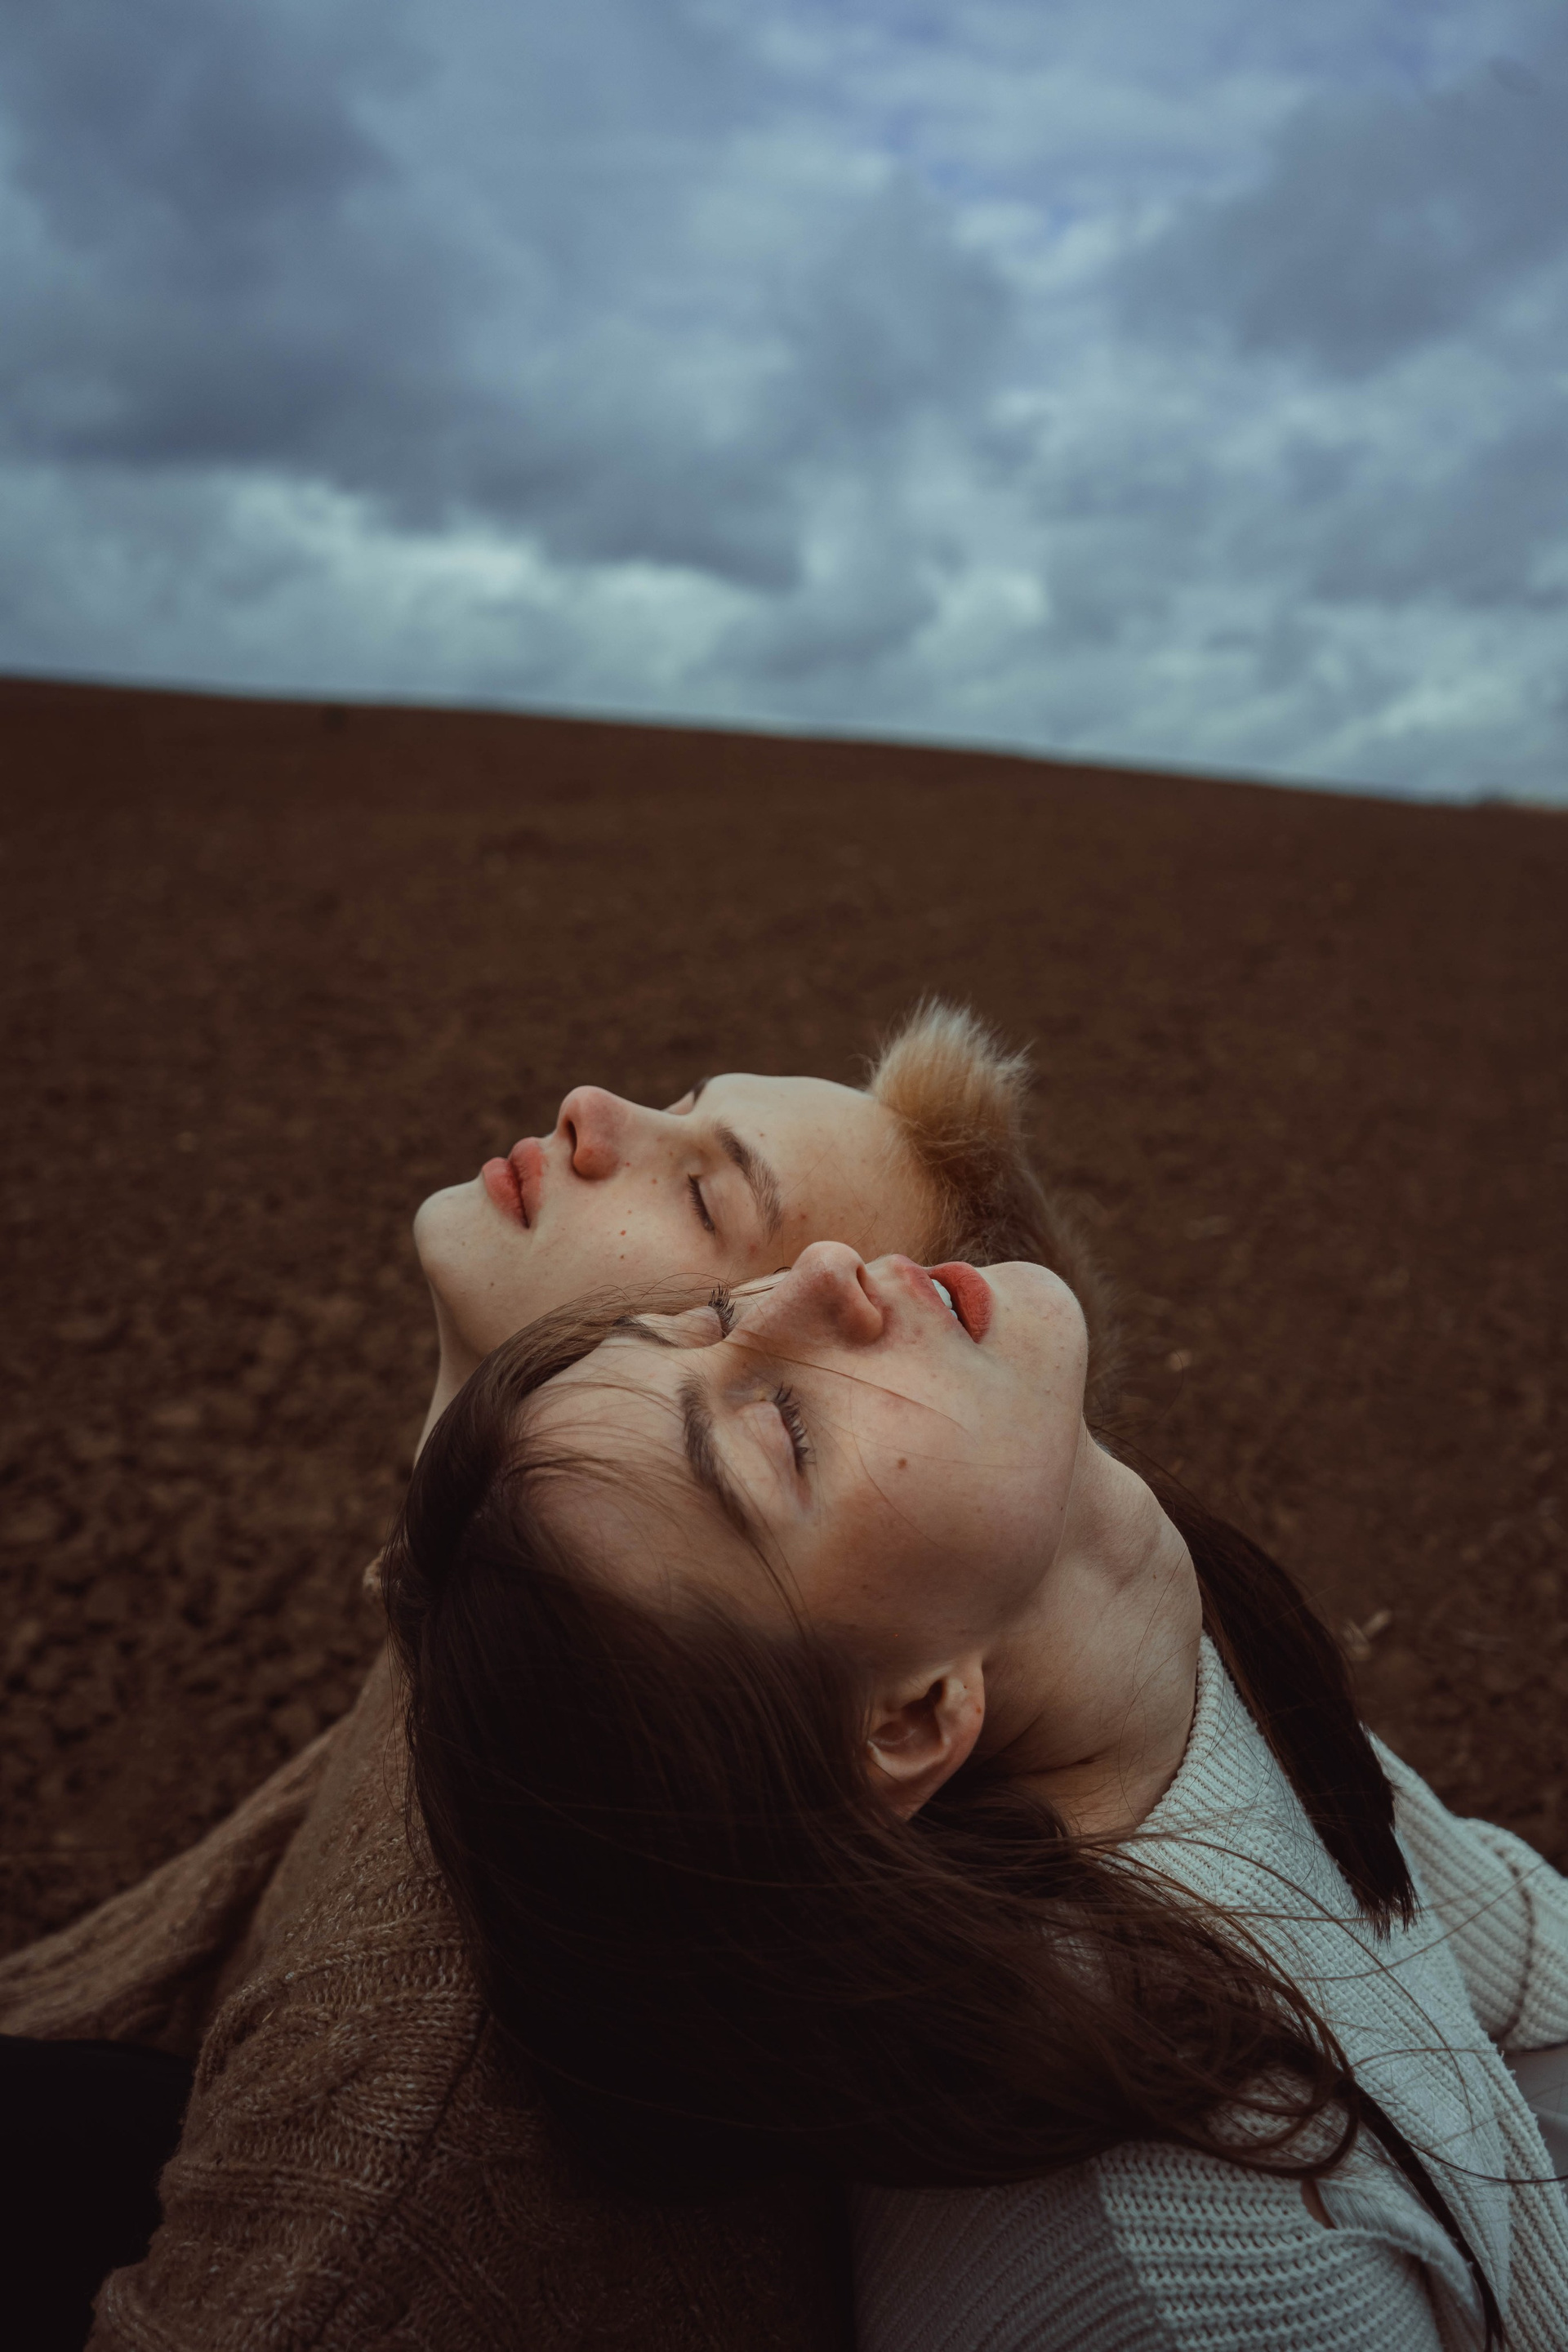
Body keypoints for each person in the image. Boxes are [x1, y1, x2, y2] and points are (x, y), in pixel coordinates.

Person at [0, 1002, 1103, 2350]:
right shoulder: (471, 1613)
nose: (591, 1108)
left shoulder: (408, 2126)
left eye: (705, 1197)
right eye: (679, 1103)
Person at [384, 1241, 1568, 2352]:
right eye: (785, 1423)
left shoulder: (1136, 1652)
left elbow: (1499, 1948)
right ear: (905, 1723)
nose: (821, 1269)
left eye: (717, 1311)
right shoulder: (1211, 2274)